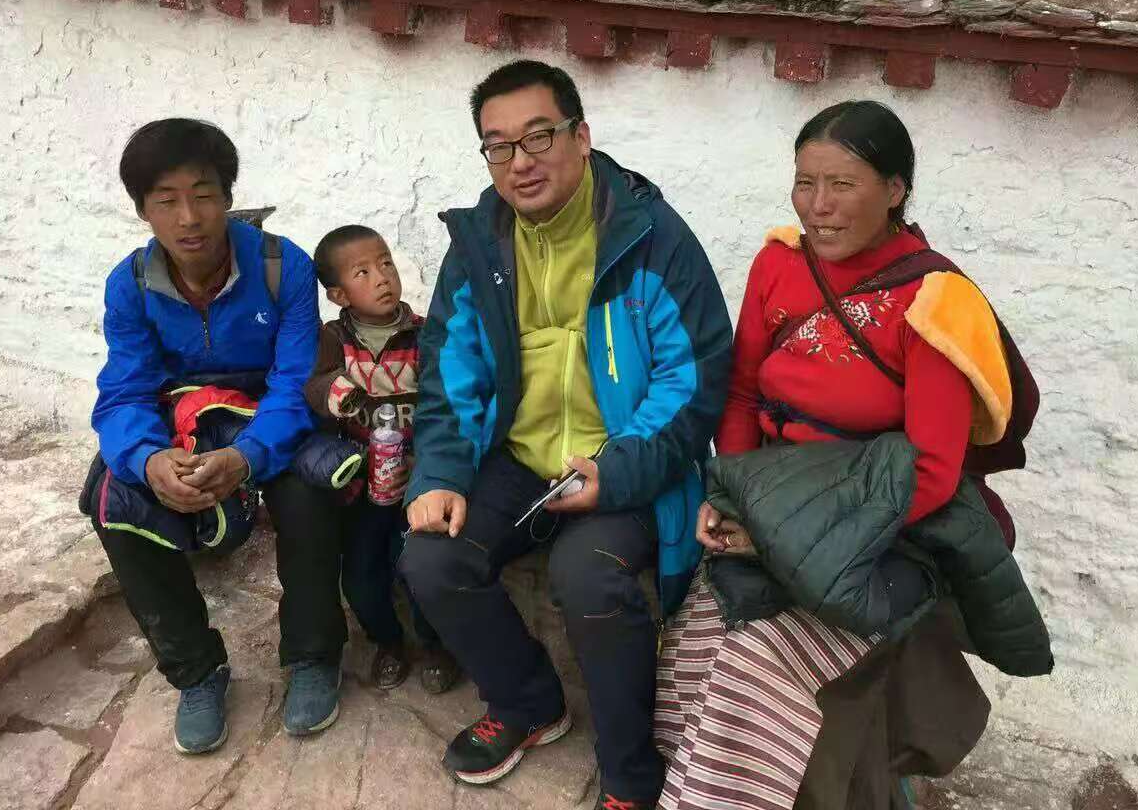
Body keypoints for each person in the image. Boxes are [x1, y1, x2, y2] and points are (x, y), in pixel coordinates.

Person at [654, 100, 1049, 809]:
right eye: (805, 183)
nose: (819, 206)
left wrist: (780, 536)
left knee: (753, 664)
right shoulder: (779, 264)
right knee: (693, 642)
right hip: (772, 505)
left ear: (895, 189)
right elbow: (741, 395)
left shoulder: (934, 301)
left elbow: (931, 474)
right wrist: (730, 496)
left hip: (884, 535)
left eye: (843, 184)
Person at [399, 60, 733, 810]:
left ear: (581, 137)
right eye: (498, 145)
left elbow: (695, 378)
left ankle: (630, 774)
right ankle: (528, 704)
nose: (520, 162)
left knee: (589, 577)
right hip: (518, 458)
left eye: (538, 136)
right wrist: (440, 473)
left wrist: (618, 473)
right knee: (431, 556)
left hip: (623, 458)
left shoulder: (649, 237)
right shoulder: (481, 243)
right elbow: (449, 368)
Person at [88, 118, 345, 755]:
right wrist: (148, 460)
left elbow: (294, 381)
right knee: (114, 503)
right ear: (142, 209)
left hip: (269, 412)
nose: (188, 218)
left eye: (203, 195)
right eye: (165, 200)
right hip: (181, 417)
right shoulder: (130, 285)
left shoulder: (282, 266)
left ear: (228, 197)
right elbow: (124, 391)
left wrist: (248, 455)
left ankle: (313, 654)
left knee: (308, 494)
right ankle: (197, 671)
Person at [301, 224, 459, 694]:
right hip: (361, 486)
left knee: (418, 567)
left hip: (416, 479)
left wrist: (427, 462)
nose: (382, 277)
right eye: (363, 272)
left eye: (386, 263)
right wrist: (336, 393)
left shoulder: (424, 334)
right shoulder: (334, 339)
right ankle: (387, 642)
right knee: (362, 575)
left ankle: (436, 646)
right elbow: (314, 383)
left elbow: (447, 399)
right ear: (338, 294)